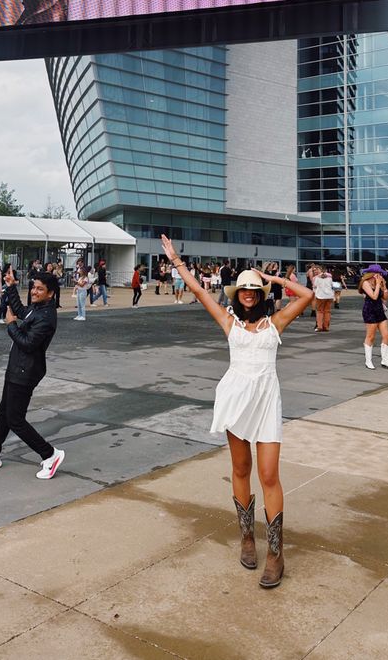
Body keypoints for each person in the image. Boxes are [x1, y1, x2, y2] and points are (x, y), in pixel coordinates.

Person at [161, 234, 312, 589]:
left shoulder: (275, 324)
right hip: (235, 399)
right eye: (243, 289)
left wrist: (272, 278)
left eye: (253, 289)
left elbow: (306, 295)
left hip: (266, 402)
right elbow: (199, 292)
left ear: (259, 294)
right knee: (240, 470)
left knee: (269, 474)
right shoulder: (229, 322)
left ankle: (276, 553)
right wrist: (176, 260)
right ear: (237, 295)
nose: (247, 293)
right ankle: (247, 537)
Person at [0, 272, 64, 479]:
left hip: (26, 372)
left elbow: (28, 344)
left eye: (40, 289)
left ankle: (49, 454)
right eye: (34, 287)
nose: (34, 292)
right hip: (16, 368)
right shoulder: (38, 309)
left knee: (15, 419)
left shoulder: (47, 317)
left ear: (51, 293)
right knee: (5, 413)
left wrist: (11, 324)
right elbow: (21, 310)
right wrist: (11, 287)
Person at [360, 264, 388, 370]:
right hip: (369, 310)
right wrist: (377, 284)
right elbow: (374, 296)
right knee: (370, 336)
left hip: (379, 310)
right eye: (379, 273)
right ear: (372, 274)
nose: (381, 275)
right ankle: (368, 361)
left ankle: (385, 360)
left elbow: (385, 298)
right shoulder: (365, 283)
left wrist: (384, 286)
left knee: (387, 335)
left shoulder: (380, 282)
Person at [312, 265, 335, 332]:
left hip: (320, 296)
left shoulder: (316, 278)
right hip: (329, 295)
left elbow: (315, 286)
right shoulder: (330, 277)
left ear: (320, 270)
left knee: (320, 311)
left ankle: (320, 326)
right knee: (327, 311)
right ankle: (326, 326)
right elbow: (331, 285)